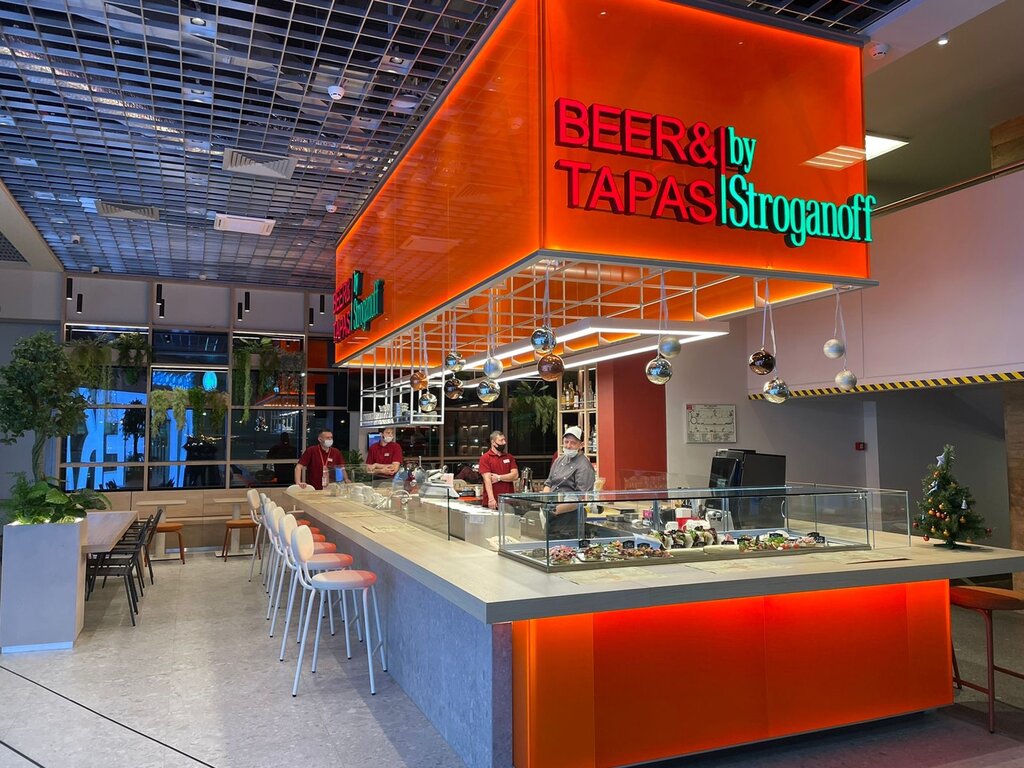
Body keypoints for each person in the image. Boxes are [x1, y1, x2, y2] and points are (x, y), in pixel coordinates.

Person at [541, 426, 596, 539]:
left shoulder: (584, 466)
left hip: (570, 519)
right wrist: (545, 501)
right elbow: (548, 483)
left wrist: (555, 510)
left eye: (573, 443)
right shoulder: (559, 460)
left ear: (581, 445)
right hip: (551, 513)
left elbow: (580, 498)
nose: (568, 446)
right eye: (566, 442)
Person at [479, 430, 519, 510]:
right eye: (501, 440)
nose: (504, 442)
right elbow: (487, 479)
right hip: (493, 501)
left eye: (504, 440)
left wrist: (498, 478)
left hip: (508, 501)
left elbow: (515, 475)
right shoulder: (485, 458)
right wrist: (491, 499)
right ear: (493, 442)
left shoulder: (509, 457)